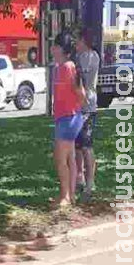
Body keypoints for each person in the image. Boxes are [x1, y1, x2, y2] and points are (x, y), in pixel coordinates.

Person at [50, 34, 87, 208]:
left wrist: (76, 110)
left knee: (60, 159)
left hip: (69, 118)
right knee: (70, 158)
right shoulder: (59, 67)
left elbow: (80, 93)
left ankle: (65, 196)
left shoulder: (67, 67)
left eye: (55, 46)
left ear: (62, 49)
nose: (52, 49)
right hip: (63, 117)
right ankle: (70, 195)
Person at [74, 32, 100, 202]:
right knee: (77, 146)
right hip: (76, 106)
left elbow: (80, 78)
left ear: (85, 41)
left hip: (87, 106)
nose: (76, 42)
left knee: (86, 146)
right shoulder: (79, 55)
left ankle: (90, 183)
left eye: (78, 39)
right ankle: (79, 178)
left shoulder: (90, 56)